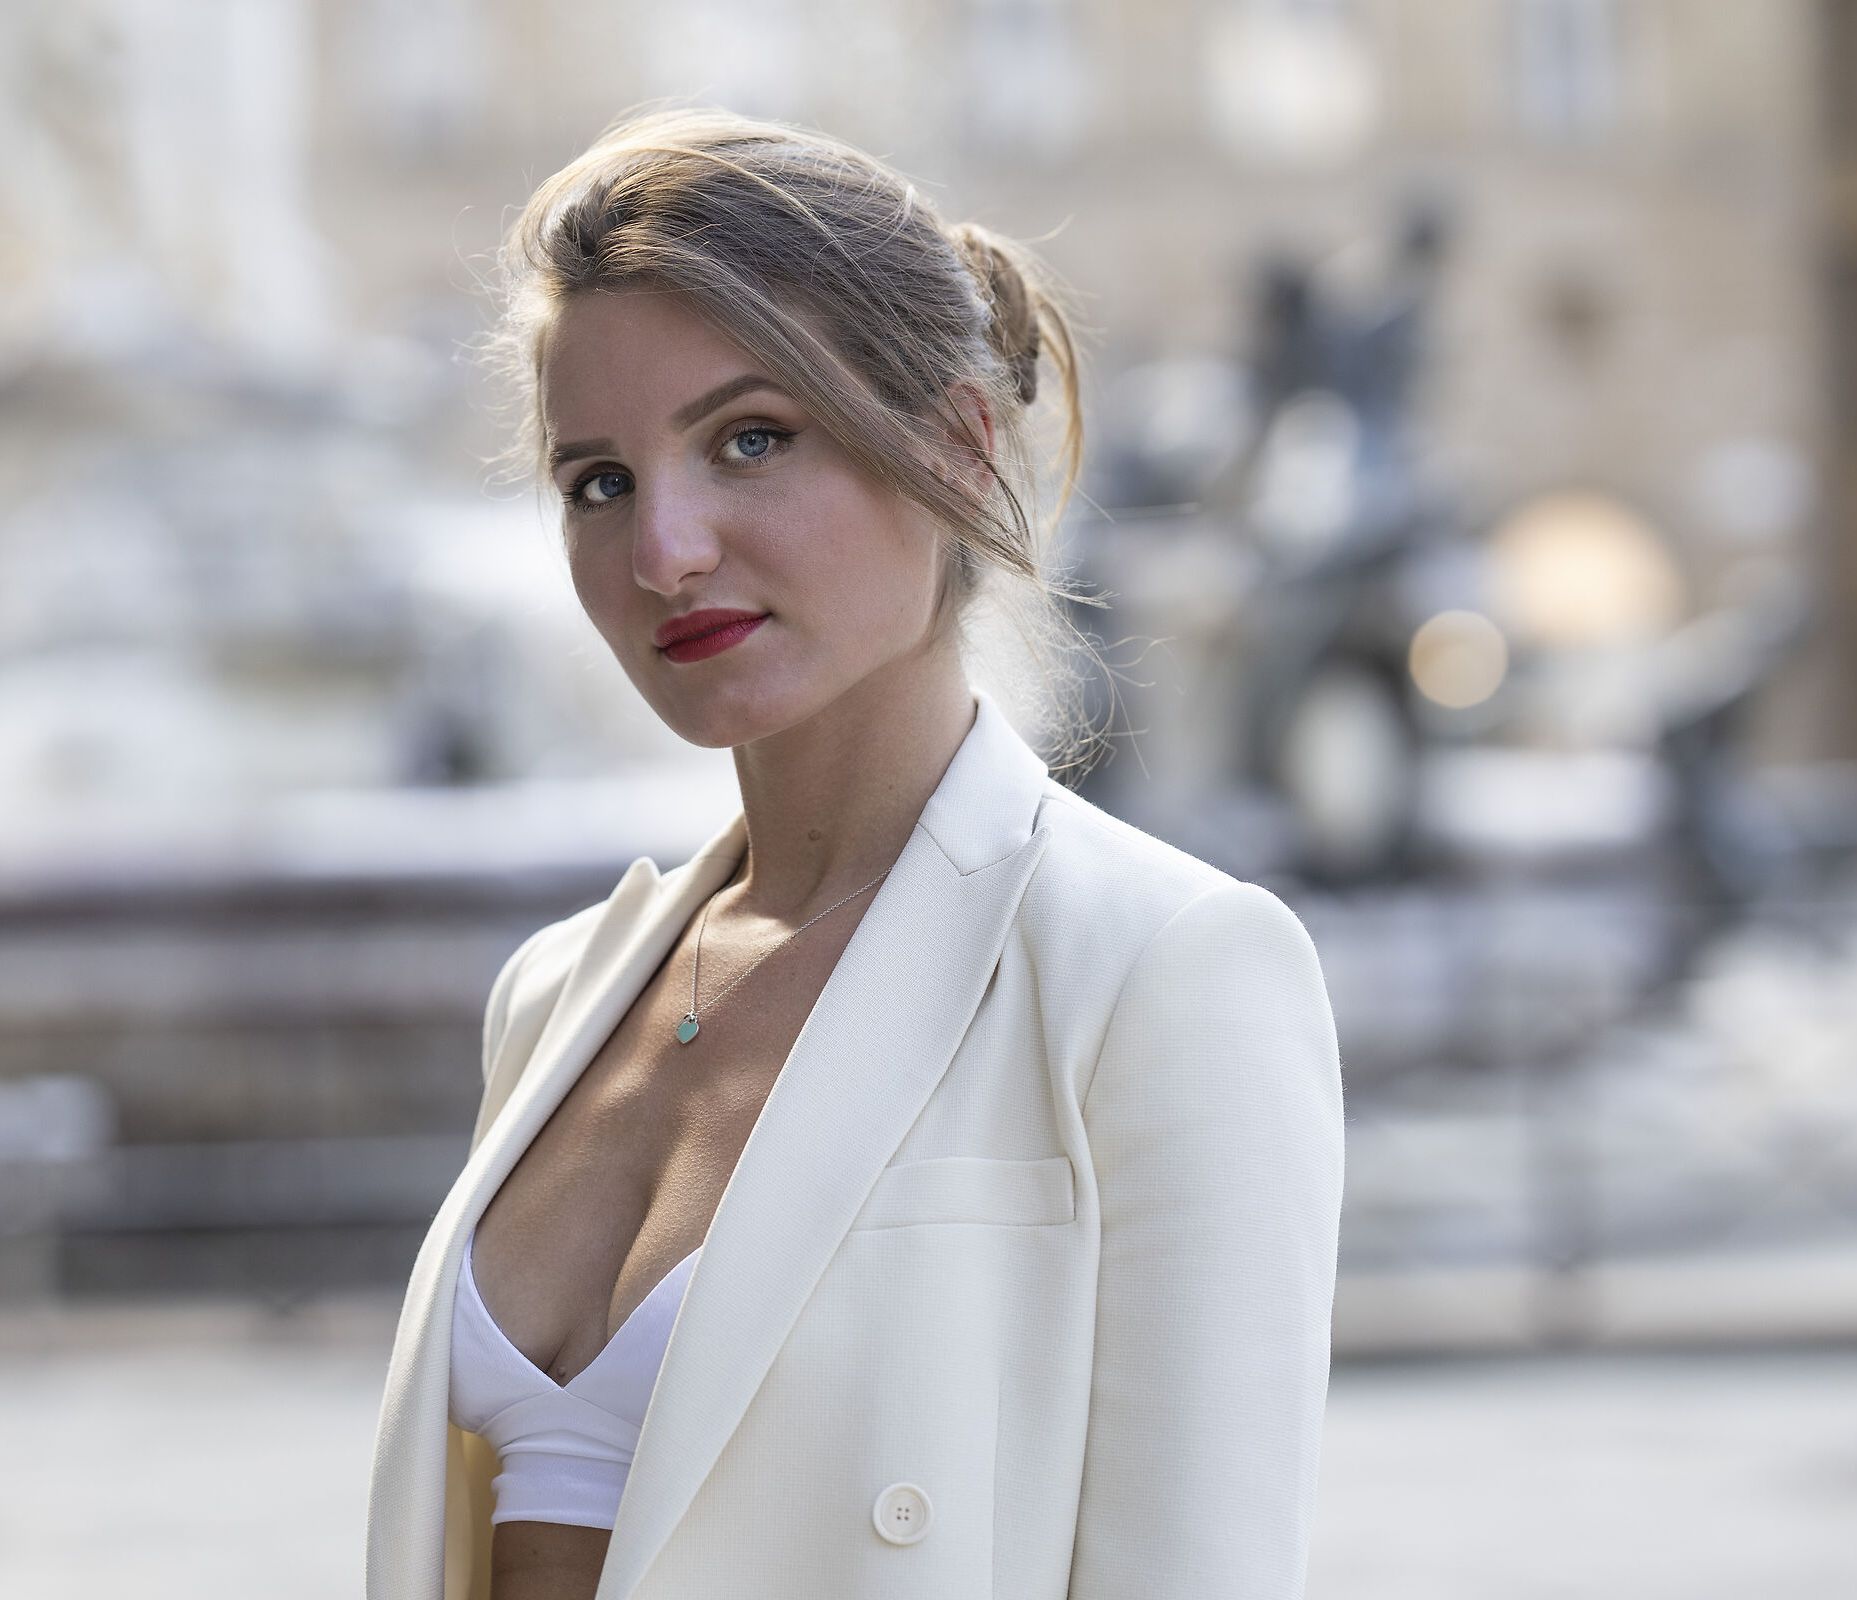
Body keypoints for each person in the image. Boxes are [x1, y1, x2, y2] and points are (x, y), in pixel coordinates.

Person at [367, 109, 1344, 1600]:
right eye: (599, 481)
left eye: (751, 440)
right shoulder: (554, 997)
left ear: (954, 444)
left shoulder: (1157, 970)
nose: (665, 550)